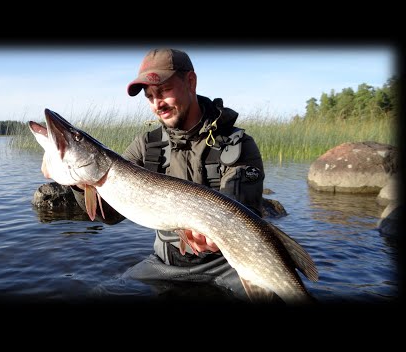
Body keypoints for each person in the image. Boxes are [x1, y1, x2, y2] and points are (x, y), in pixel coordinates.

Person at [42, 48, 266, 300]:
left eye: (163, 91)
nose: (157, 104)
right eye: (149, 96)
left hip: (228, 263)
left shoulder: (237, 144)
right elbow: (111, 216)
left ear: (190, 82)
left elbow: (242, 209)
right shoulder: (145, 145)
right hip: (165, 264)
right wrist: (77, 182)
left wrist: (219, 238)